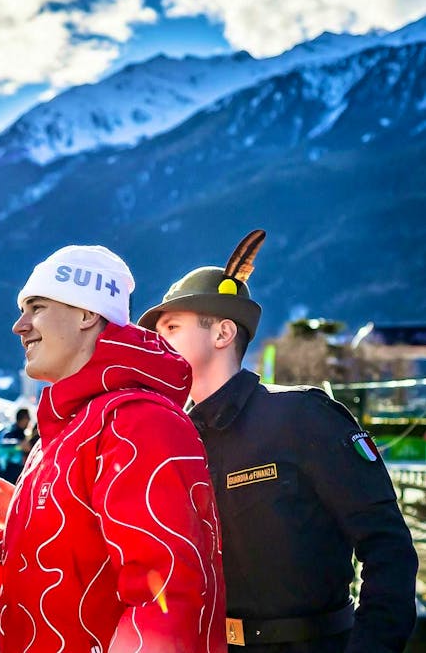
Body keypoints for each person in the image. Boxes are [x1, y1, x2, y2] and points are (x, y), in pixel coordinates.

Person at [138, 229, 418, 652]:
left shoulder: (302, 417)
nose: (159, 342)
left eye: (173, 327)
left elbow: (387, 548)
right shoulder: (178, 440)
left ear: (222, 333)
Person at [0, 245, 226, 653]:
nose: (19, 325)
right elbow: (52, 569)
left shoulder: (138, 422)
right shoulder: (68, 428)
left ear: (88, 313)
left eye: (36, 307)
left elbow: (165, 595)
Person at [0, 407, 30, 483]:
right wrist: (19, 445)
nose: (29, 422)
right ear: (22, 419)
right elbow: (3, 445)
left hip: (17, 471)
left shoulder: (22, 433)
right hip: (7, 471)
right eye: (27, 419)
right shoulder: (9, 431)